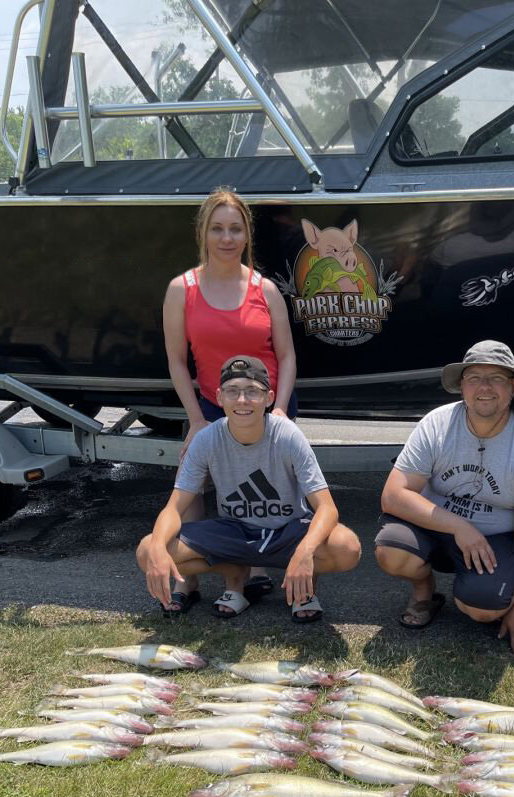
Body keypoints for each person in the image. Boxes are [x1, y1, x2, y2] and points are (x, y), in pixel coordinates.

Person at [136, 356, 361, 622]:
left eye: (253, 391)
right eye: (232, 391)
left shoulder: (287, 435)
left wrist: (305, 551)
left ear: (269, 398)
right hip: (235, 532)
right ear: (219, 397)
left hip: (286, 532)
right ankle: (235, 575)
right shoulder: (206, 439)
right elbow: (174, 508)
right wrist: (159, 547)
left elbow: (327, 508)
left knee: (347, 547)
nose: (242, 400)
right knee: (147, 551)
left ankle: (305, 585)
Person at [161, 187, 298, 616]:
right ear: (203, 233)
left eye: (235, 229)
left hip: (266, 405)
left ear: (247, 235)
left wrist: (280, 410)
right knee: (191, 482)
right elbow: (176, 361)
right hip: (209, 404)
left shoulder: (266, 290)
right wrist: (195, 420)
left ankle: (255, 568)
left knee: (261, 487)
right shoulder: (181, 289)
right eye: (217, 228)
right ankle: (187, 578)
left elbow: (287, 356)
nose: (226, 238)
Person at [375, 340, 514, 658]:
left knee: (485, 609)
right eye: (474, 377)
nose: (484, 387)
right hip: (436, 525)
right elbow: (393, 495)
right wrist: (459, 526)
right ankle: (424, 590)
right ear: (461, 385)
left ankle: (478, 587)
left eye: (496, 378)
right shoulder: (437, 423)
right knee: (391, 551)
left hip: (494, 538)